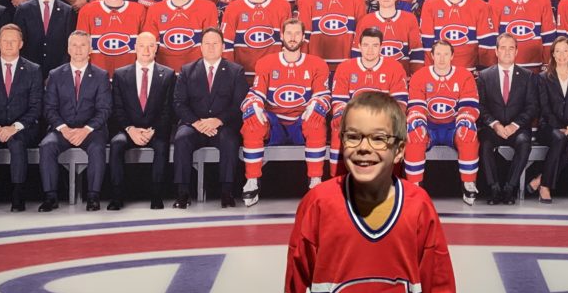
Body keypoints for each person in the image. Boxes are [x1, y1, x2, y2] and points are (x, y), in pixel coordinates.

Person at [283, 91, 457, 293]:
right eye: (353, 136)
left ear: (399, 150)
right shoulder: (317, 204)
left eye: (378, 138)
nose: (364, 148)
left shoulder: (419, 207)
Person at [240, 18, 330, 205]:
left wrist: (316, 105)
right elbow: (256, 93)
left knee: (316, 121)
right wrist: (253, 106)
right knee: (252, 123)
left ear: (303, 37)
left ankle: (315, 179)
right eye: (289, 33)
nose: (292, 37)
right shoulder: (266, 63)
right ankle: (252, 181)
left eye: (297, 33)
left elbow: (323, 95)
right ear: (281, 35)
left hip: (301, 122)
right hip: (275, 124)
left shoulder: (317, 64)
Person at [172, 28, 249, 208]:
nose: (211, 47)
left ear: (223, 46)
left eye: (215, 43)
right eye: (207, 43)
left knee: (230, 140)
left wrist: (218, 120)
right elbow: (179, 103)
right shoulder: (187, 70)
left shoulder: (236, 71)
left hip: (222, 125)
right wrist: (196, 123)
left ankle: (227, 193)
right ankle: (182, 193)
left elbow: (239, 104)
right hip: (194, 125)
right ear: (200, 47)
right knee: (181, 139)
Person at [38, 30, 111, 212]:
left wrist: (85, 130)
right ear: (68, 49)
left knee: (97, 148)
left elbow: (104, 110)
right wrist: (64, 129)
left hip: (92, 130)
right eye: (74, 45)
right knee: (47, 146)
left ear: (90, 49)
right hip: (62, 130)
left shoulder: (101, 75)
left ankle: (93, 197)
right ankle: (50, 197)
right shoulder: (55, 75)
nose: (78, 50)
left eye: (83, 45)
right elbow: (49, 108)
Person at [0, 24, 42, 213]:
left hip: (22, 127)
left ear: (21, 44)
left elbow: (35, 107)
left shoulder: (33, 70)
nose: (9, 44)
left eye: (13, 41)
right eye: (5, 41)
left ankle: (18, 197)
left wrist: (15, 127)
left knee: (17, 143)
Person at [405, 40, 480, 205]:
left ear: (452, 56)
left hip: (453, 126)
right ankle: (414, 185)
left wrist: (465, 121)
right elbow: (416, 106)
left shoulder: (464, 76)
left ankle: (468, 183)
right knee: (414, 135)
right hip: (429, 126)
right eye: (438, 54)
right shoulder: (420, 76)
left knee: (468, 133)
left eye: (446, 54)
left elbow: (469, 105)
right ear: (432, 55)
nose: (441, 58)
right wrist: (417, 122)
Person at [107, 31, 175, 210]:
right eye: (142, 46)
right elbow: (117, 109)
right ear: (135, 47)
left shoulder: (168, 75)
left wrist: (153, 130)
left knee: (162, 146)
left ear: (156, 49)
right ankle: (117, 197)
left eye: (151, 46)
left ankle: (157, 196)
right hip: (128, 130)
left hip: (155, 130)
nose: (146, 50)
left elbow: (168, 110)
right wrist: (130, 129)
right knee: (116, 144)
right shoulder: (120, 74)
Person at [328, 27, 408, 171]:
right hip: (354, 122)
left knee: (396, 130)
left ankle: (391, 177)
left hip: (382, 122)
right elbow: (339, 102)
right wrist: (345, 117)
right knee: (337, 126)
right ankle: (337, 176)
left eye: (375, 45)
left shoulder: (394, 68)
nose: (370, 50)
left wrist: (384, 121)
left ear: (381, 47)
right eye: (366, 45)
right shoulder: (345, 68)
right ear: (359, 46)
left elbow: (399, 104)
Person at [476, 33, 537, 205]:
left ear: (516, 51)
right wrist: (495, 124)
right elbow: (480, 106)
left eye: (511, 48)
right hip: (493, 128)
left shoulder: (527, 76)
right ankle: (494, 189)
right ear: (496, 51)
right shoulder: (484, 76)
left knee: (524, 144)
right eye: (503, 48)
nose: (507, 52)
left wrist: (514, 125)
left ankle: (510, 188)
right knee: (485, 144)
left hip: (517, 128)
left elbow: (532, 106)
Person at [526, 36, 568, 203]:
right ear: (552, 54)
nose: (561, 55)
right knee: (559, 138)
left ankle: (541, 179)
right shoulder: (543, 77)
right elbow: (544, 109)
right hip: (549, 127)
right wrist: (561, 128)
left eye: (565, 51)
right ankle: (545, 186)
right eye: (557, 51)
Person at [220, 0, 291, 81]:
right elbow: (226, 44)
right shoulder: (233, 8)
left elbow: (288, 43)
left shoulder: (282, 6)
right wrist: (231, 74)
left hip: (273, 75)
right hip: (242, 75)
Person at [418, 0, 497, 71]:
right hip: (440, 72)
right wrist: (432, 71)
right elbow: (427, 44)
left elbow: (487, 45)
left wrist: (482, 72)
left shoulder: (480, 6)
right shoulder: (430, 5)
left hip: (469, 72)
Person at [297, 0, 368, 74]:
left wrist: (357, 62)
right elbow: (304, 36)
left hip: (347, 64)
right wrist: (304, 63)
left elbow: (362, 33)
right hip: (317, 65)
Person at [143, 0, 217, 73]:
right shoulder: (155, 10)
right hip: (165, 75)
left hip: (196, 73)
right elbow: (148, 46)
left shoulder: (207, 7)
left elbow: (212, 46)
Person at [488, 0, 557, 71]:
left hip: (535, 68)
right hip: (506, 68)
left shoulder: (543, 0)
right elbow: (492, 38)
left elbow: (549, 36)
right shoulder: (496, 1)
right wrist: (494, 67)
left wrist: (546, 64)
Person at [76, 0, 146, 78]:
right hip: (97, 76)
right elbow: (80, 46)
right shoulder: (87, 11)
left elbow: (146, 45)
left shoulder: (139, 10)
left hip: (129, 76)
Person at [12, 0, 76, 78]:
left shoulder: (67, 11)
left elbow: (70, 45)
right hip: (29, 73)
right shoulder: (23, 10)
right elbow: (18, 43)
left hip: (58, 74)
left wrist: (58, 73)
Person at [352, 0, 422, 74]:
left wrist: (415, 76)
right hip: (374, 76)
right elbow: (357, 52)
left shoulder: (409, 19)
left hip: (402, 75)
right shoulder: (365, 21)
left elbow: (416, 51)